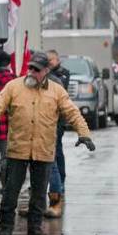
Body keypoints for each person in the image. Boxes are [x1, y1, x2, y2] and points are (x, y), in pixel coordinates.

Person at [0, 52, 95, 235]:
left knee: (39, 194)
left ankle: (35, 228)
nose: (31, 72)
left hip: (44, 150)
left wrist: (84, 134)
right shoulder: (13, 87)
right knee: (11, 191)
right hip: (18, 149)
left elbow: (72, 113)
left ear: (46, 71)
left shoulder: (57, 91)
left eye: (36, 70)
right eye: (30, 68)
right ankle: (6, 227)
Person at [44, 49, 71, 218]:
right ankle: (58, 186)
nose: (49, 63)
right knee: (56, 155)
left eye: (50, 60)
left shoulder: (60, 76)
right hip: (54, 122)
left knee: (55, 156)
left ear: (57, 59)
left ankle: (58, 188)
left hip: (56, 123)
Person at [0, 51, 17, 192]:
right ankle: (6, 187)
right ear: (8, 63)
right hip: (7, 125)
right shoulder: (11, 78)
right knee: (6, 158)